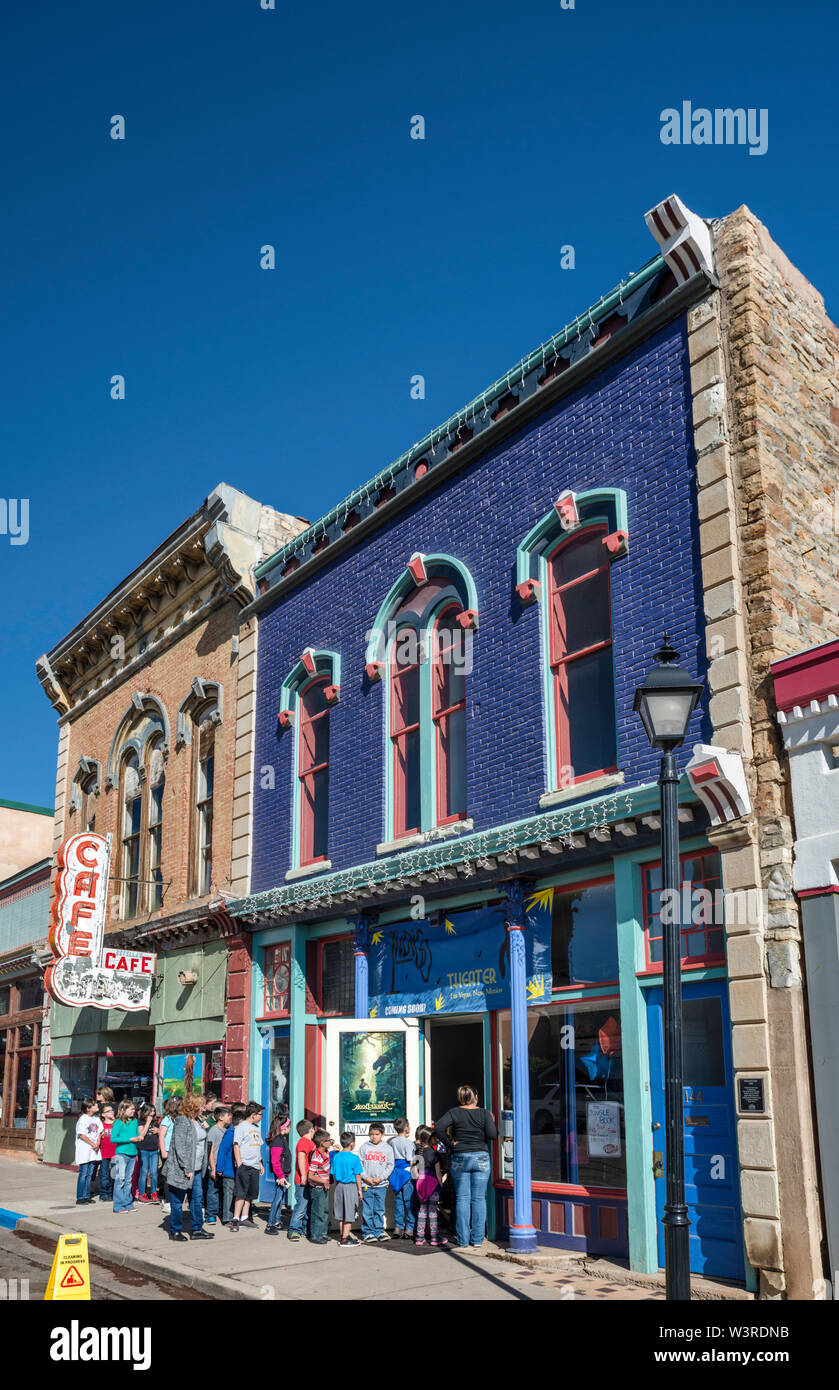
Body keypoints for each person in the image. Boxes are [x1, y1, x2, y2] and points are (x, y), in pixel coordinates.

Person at [434, 1084, 498, 1249]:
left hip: (460, 1156)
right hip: (481, 1157)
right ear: (476, 1097)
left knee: (462, 1198)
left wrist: (450, 1143)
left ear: (461, 1098)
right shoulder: (484, 1113)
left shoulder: (454, 1112)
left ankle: (463, 1240)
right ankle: (477, 1239)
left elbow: (439, 1127)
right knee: (479, 1198)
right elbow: (492, 1135)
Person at [162, 1091, 214, 1242]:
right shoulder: (182, 1121)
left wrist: (205, 1128)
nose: (204, 1108)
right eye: (201, 1106)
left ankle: (197, 1229)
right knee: (178, 1201)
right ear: (193, 1106)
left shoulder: (196, 1120)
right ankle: (176, 1230)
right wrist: (187, 1168)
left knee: (196, 1199)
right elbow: (180, 1147)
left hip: (197, 1169)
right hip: (182, 1169)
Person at [411, 1126, 448, 1248]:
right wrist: (441, 1186)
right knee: (432, 1212)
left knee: (422, 1211)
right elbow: (438, 1173)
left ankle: (419, 1238)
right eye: (435, 1137)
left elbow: (414, 1171)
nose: (437, 1139)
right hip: (432, 1183)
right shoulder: (434, 1154)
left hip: (421, 1183)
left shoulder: (418, 1152)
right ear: (431, 1139)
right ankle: (434, 1238)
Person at [231, 1101, 265, 1231]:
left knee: (250, 1194)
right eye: (260, 1114)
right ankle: (235, 1219)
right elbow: (236, 1146)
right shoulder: (241, 1127)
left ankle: (245, 1217)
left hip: (255, 1166)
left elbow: (258, 1147)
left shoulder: (256, 1128)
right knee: (241, 1193)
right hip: (244, 1165)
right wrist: (239, 1163)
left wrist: (260, 1163)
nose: (261, 1117)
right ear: (253, 1115)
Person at [110, 1099, 148, 1213]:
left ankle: (128, 1203)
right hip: (121, 1154)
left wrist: (138, 1138)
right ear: (123, 1109)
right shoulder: (118, 1122)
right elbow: (113, 1138)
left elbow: (136, 1134)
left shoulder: (134, 1121)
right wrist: (130, 1139)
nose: (133, 1111)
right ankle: (118, 1205)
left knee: (128, 1180)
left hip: (133, 1153)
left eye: (133, 1109)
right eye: (131, 1109)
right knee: (120, 1180)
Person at [359, 1122, 394, 1243]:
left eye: (377, 1134)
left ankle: (379, 1231)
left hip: (381, 1185)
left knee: (379, 1209)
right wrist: (366, 1178)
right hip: (366, 1185)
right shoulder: (364, 1147)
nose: (374, 1137)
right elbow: (360, 1165)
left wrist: (382, 1178)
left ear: (382, 1134)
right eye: (371, 1134)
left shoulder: (388, 1148)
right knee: (367, 1210)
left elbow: (390, 1165)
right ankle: (368, 1232)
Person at [332, 1132, 363, 1248]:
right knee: (350, 1212)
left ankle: (343, 1235)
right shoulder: (354, 1158)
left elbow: (334, 1174)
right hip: (350, 1186)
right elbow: (358, 1175)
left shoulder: (336, 1157)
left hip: (339, 1186)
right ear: (352, 1144)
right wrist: (359, 1190)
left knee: (341, 1213)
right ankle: (345, 1239)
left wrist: (336, 1184)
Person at [215, 1103, 245, 1226]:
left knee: (235, 1194)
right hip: (228, 1170)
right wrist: (219, 1168)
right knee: (228, 1193)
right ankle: (227, 1217)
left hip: (237, 1170)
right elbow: (222, 1150)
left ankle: (235, 1215)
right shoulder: (230, 1133)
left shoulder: (239, 1133)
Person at [287, 1118, 316, 1242]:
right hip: (302, 1180)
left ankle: (305, 1228)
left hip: (309, 1180)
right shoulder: (304, 1142)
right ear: (311, 1130)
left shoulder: (311, 1143)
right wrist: (304, 1175)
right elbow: (301, 1158)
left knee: (308, 1205)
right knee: (301, 1206)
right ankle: (294, 1229)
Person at [265, 1110, 292, 1235]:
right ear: (284, 1127)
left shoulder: (281, 1139)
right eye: (289, 1126)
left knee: (280, 1197)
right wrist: (280, 1176)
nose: (290, 1128)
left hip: (283, 1173)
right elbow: (275, 1161)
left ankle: (276, 1221)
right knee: (277, 1198)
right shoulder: (277, 1141)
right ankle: (270, 1224)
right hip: (280, 1174)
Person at [205, 1104, 232, 1226]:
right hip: (214, 1166)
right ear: (221, 1117)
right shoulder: (213, 1131)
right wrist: (213, 1168)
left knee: (221, 1190)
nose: (230, 1117)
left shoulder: (226, 1130)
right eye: (228, 1115)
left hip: (223, 1166)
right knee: (213, 1190)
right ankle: (210, 1214)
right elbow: (210, 1150)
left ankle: (220, 1211)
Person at [388, 1117, 415, 1239]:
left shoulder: (392, 1142)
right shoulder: (409, 1143)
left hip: (395, 1173)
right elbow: (410, 1161)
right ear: (406, 1129)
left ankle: (398, 1227)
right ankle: (409, 1228)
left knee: (398, 1201)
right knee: (409, 1201)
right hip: (406, 1174)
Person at [306, 1128, 333, 1245]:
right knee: (318, 1212)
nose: (331, 1142)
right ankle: (315, 1235)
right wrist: (323, 1181)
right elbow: (310, 1175)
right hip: (317, 1188)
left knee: (324, 1211)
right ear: (322, 1143)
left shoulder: (325, 1152)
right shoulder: (316, 1157)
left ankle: (322, 1233)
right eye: (329, 1140)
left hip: (323, 1187)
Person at [74, 1100, 103, 1205]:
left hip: (94, 1150)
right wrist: (92, 1144)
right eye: (94, 1105)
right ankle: (80, 1196)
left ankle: (87, 1195)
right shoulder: (83, 1119)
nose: (97, 1106)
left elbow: (100, 1131)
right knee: (84, 1173)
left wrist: (98, 1144)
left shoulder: (96, 1118)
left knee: (90, 1174)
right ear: (88, 1108)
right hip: (85, 1150)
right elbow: (82, 1135)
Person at [158, 1097, 180, 1215]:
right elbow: (162, 1135)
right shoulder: (167, 1119)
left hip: (176, 1151)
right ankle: (167, 1201)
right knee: (168, 1177)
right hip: (167, 1150)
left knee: (175, 1176)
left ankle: (174, 1198)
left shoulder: (179, 1119)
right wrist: (163, 1151)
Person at [136, 1105, 161, 1202]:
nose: (153, 1113)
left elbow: (160, 1135)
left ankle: (154, 1193)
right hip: (143, 1149)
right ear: (145, 1111)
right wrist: (148, 1123)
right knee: (143, 1173)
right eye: (151, 1111)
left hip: (154, 1150)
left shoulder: (155, 1122)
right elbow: (141, 1134)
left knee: (154, 1173)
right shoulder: (140, 1122)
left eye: (154, 1111)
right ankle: (142, 1194)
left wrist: (158, 1131)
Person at [97, 1103, 116, 1203]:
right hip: (104, 1153)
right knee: (104, 1175)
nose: (111, 1112)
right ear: (103, 1114)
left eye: (112, 1110)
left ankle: (111, 1193)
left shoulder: (117, 1123)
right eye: (108, 1111)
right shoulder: (101, 1125)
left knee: (114, 1175)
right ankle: (103, 1194)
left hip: (115, 1153)